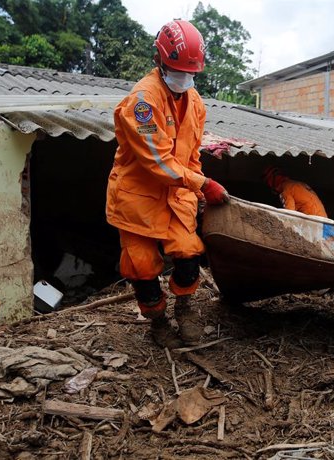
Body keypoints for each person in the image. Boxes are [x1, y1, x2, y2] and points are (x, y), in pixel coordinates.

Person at [106, 19, 230, 349]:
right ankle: (158, 321)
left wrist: (196, 189)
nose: (185, 78)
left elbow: (191, 157)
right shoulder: (142, 103)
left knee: (189, 255)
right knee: (142, 268)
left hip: (177, 197)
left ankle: (186, 309)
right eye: (178, 69)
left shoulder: (196, 103)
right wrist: (203, 184)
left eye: (191, 72)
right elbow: (157, 161)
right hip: (138, 198)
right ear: (160, 61)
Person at [262, 166, 327, 217]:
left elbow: (290, 214)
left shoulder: (286, 189)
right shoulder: (298, 184)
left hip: (313, 221)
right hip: (324, 219)